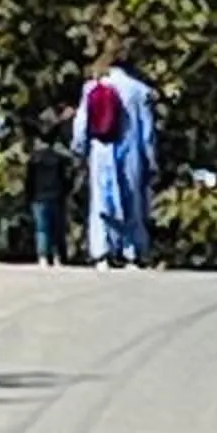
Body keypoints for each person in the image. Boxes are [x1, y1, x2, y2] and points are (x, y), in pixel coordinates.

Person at [72, 45, 159, 267]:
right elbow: (146, 131)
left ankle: (102, 253)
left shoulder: (92, 87)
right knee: (132, 201)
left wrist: (79, 148)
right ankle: (131, 253)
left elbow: (81, 123)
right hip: (130, 152)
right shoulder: (139, 91)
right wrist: (150, 158)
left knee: (101, 202)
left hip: (100, 151)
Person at [22, 112, 75, 268]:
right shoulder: (59, 158)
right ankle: (58, 256)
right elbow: (65, 179)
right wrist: (65, 192)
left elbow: (29, 181)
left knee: (41, 229)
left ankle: (43, 256)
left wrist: (28, 196)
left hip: (38, 197)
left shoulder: (34, 159)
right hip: (56, 197)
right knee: (57, 228)